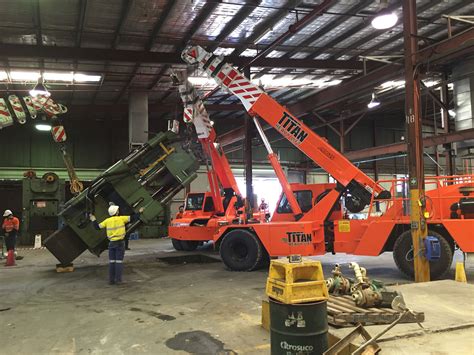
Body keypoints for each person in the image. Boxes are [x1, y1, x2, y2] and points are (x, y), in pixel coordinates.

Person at [90, 205, 142, 285]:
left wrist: (93, 219)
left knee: (112, 262)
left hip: (111, 244)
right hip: (120, 243)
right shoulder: (121, 218)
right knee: (118, 262)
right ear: (116, 212)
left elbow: (97, 227)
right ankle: (118, 280)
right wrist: (140, 211)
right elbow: (133, 217)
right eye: (118, 210)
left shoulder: (107, 221)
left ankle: (111, 280)